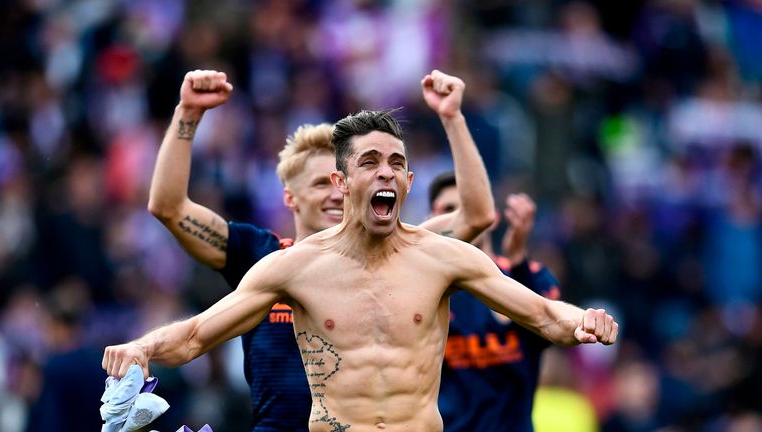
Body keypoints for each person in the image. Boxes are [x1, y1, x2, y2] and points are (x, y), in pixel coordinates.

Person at [105, 108, 619, 431]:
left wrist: (584, 320)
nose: (386, 172)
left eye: (396, 163)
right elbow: (196, 336)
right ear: (342, 179)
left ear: (409, 181)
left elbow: (546, 316)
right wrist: (143, 347)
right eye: (370, 161)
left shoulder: (444, 258)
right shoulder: (292, 267)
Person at [146, 69, 497, 430]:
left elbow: (477, 214)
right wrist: (188, 113)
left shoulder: (403, 254)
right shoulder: (261, 255)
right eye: (319, 184)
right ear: (289, 197)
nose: (334, 194)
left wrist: (452, 118)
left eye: (341, 180)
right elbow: (169, 208)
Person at [428, 172, 561, 432]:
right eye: (449, 211)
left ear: (490, 217)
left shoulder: (529, 275)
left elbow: (551, 330)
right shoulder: (425, 290)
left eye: (469, 208)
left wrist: (518, 261)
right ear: (433, 220)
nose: (463, 219)